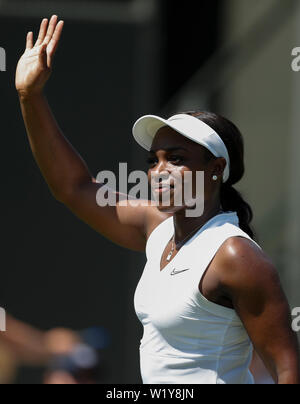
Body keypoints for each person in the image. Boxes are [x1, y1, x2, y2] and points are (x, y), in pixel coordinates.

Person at [15, 15, 300, 384]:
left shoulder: (235, 256)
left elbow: (287, 367)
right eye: (155, 160)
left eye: (177, 159)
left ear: (215, 169)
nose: (159, 170)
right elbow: (73, 187)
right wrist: (30, 97)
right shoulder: (158, 227)